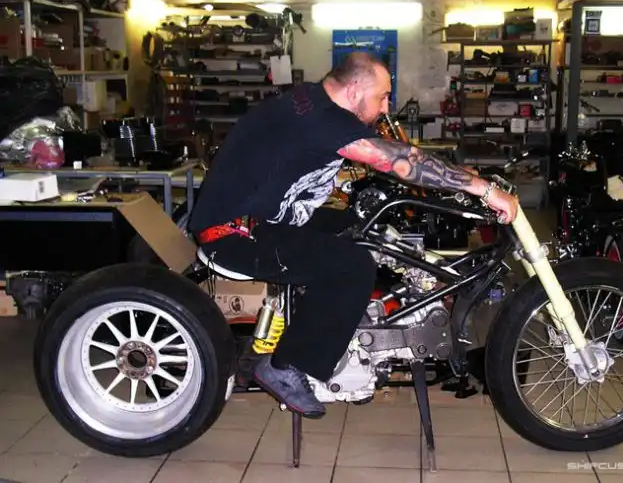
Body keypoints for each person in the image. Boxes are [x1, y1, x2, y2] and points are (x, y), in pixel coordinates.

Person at [187, 51, 518, 419]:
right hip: (235, 234)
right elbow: (398, 161)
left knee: (364, 228)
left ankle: (351, 334)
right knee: (353, 266)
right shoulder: (322, 118)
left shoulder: (313, 99)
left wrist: (459, 177)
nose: (386, 107)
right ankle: (286, 365)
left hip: (268, 217)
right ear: (355, 89)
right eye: (382, 97)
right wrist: (483, 189)